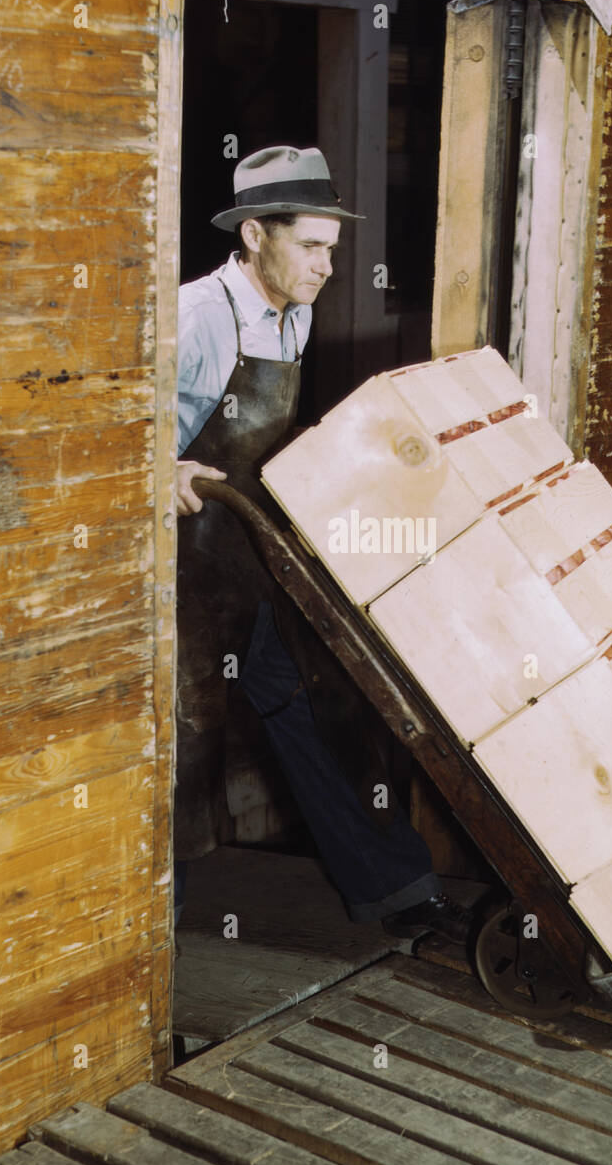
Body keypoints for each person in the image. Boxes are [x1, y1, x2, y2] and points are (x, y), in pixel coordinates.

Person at [172, 144, 471, 945]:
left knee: (321, 708)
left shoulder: (293, 311)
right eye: (311, 246)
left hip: (256, 556)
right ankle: (145, 951)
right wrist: (159, 465)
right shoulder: (196, 318)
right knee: (183, 751)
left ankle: (398, 890)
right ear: (254, 237)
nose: (327, 266)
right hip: (182, 578)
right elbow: (121, 436)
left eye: (333, 250)